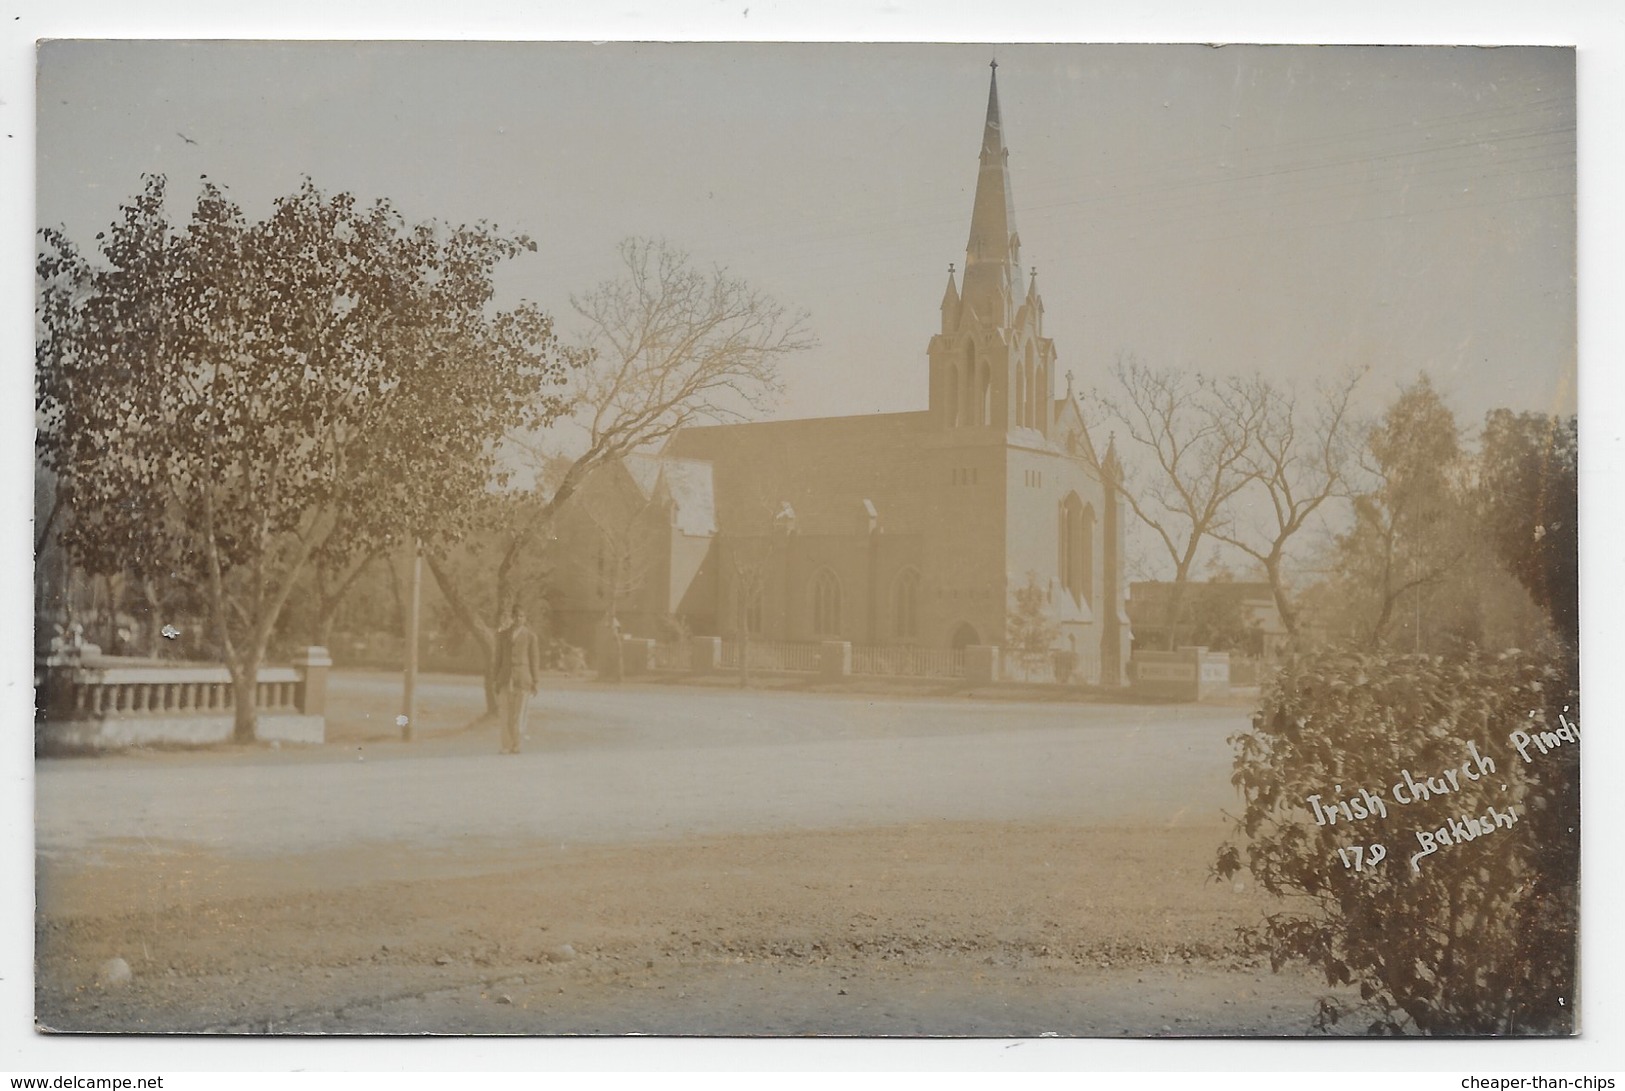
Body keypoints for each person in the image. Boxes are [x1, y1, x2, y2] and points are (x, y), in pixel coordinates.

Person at [495, 604, 542, 755]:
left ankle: (517, 744)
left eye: (521, 616)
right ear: (511, 617)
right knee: (505, 714)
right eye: (515, 616)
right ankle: (506, 745)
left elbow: (534, 660)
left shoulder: (530, 637)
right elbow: (498, 658)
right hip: (505, 678)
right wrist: (496, 678)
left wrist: (535, 681)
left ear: (525, 618)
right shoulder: (503, 635)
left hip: (523, 679)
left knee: (519, 714)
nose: (518, 619)